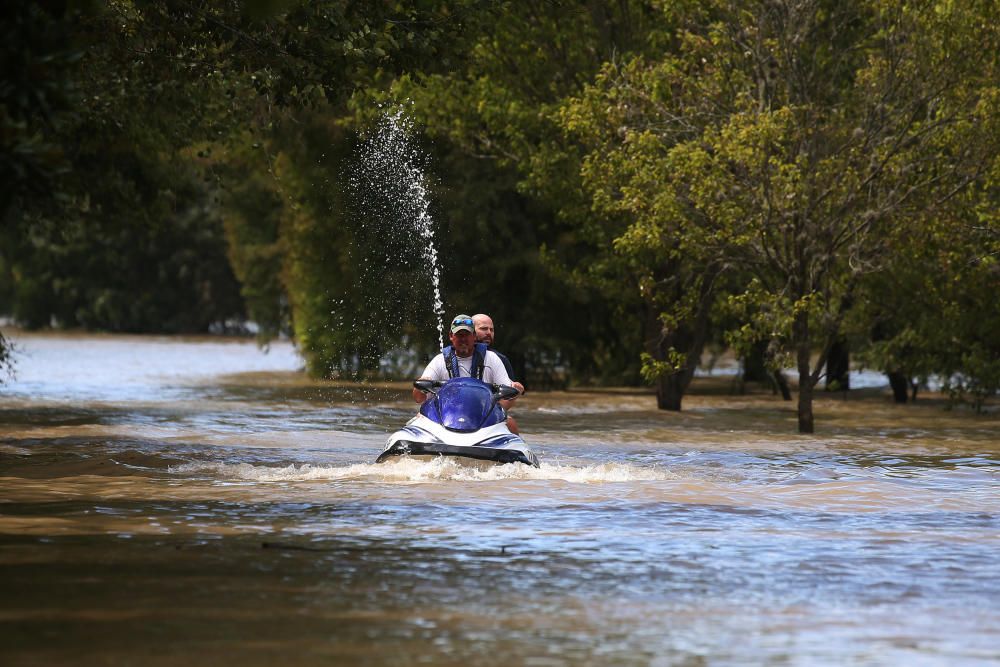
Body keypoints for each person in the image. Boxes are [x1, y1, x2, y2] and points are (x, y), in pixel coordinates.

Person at [412, 315, 520, 411]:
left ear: (474, 336)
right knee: (419, 417)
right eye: (459, 335)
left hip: (481, 417)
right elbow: (418, 398)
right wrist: (421, 385)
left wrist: (515, 391)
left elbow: (508, 396)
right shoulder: (439, 360)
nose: (463, 339)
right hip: (446, 416)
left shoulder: (492, 359)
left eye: (467, 335)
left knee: (511, 423)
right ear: (451, 336)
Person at [473, 312, 524, 435]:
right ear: (471, 332)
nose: (489, 333)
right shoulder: (450, 357)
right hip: (453, 413)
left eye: (492, 330)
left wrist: (491, 414)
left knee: (511, 423)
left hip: (487, 415)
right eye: (484, 329)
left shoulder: (500, 359)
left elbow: (510, 395)